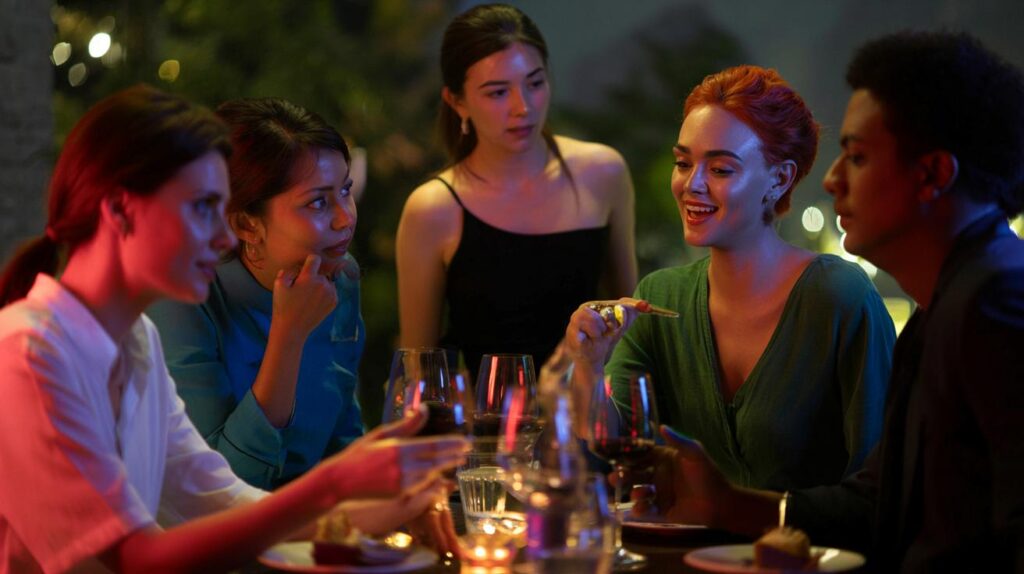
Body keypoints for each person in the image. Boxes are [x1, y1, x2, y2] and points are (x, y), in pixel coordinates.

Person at [0, 85, 469, 573]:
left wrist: (384, 510)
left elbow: (224, 499)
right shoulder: (27, 354)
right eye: (203, 207)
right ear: (120, 210)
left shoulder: (136, 340)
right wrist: (335, 485)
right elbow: (137, 559)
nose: (226, 236)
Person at [640, 32, 1024, 573]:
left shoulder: (999, 302)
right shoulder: (944, 304)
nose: (831, 179)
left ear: (934, 174)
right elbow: (876, 506)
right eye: (685, 163)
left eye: (858, 157)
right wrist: (726, 504)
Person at [565, 65, 895, 492]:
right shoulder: (660, 297)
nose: (692, 184)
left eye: (720, 169)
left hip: (806, 539)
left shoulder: (838, 298)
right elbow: (616, 450)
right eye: (683, 163)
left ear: (779, 179)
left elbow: (881, 486)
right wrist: (589, 367)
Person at [396, 3, 638, 380]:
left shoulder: (602, 172)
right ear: (457, 102)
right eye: (497, 93)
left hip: (588, 407)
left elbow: (629, 324)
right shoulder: (434, 207)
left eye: (535, 83)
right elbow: (420, 368)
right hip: (486, 414)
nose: (522, 107)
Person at [148, 98, 365, 490]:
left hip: (313, 518)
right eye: (319, 202)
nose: (345, 217)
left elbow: (343, 439)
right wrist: (288, 335)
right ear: (247, 224)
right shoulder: (183, 297)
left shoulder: (339, 276)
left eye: (345, 190)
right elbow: (221, 486)